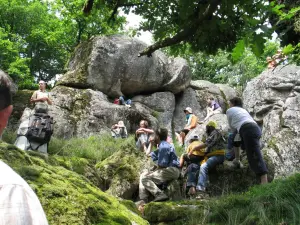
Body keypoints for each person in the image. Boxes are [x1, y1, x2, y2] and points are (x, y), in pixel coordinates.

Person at [0, 70, 48, 224]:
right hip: (36, 113)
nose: (41, 85)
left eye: (43, 84)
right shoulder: (11, 189)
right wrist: (38, 98)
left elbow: (50, 103)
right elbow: (31, 101)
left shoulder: (48, 93)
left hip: (45, 114)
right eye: (40, 84)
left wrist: (46, 98)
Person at [226, 97, 268, 184]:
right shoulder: (243, 110)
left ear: (233, 103)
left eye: (229, 103)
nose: (228, 105)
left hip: (247, 130)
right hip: (255, 128)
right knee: (235, 138)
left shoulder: (230, 110)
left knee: (254, 155)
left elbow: (232, 127)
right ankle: (237, 159)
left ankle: (264, 181)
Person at [138, 128, 180, 204]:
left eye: (154, 135)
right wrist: (151, 144)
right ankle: (143, 199)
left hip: (172, 170)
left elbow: (162, 165)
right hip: (170, 170)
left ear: (157, 136)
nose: (153, 137)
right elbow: (148, 155)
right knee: (144, 174)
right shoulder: (162, 145)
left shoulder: (164, 146)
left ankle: (159, 194)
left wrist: (152, 172)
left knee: (145, 178)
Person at [187, 120, 226, 198]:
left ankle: (201, 190)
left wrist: (193, 149)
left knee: (203, 166)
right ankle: (192, 187)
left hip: (218, 155)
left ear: (210, 127)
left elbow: (206, 144)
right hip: (210, 156)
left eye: (207, 127)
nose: (206, 129)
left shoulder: (215, 132)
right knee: (193, 166)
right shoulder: (211, 135)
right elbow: (207, 148)